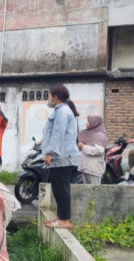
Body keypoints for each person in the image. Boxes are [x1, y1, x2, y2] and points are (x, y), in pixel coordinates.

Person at [42, 84, 81, 230]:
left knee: (61, 188)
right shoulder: (62, 111)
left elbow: (58, 134)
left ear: (55, 97)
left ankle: (64, 221)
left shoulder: (62, 112)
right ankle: (61, 216)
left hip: (63, 157)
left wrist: (49, 153)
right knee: (59, 188)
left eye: (48, 95)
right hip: (64, 156)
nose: (48, 98)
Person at [77, 115, 107, 185]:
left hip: (94, 169)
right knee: (86, 191)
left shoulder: (100, 136)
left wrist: (83, 146)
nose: (87, 124)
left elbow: (99, 150)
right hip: (86, 168)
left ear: (94, 123)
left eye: (89, 122)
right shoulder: (88, 134)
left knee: (94, 191)